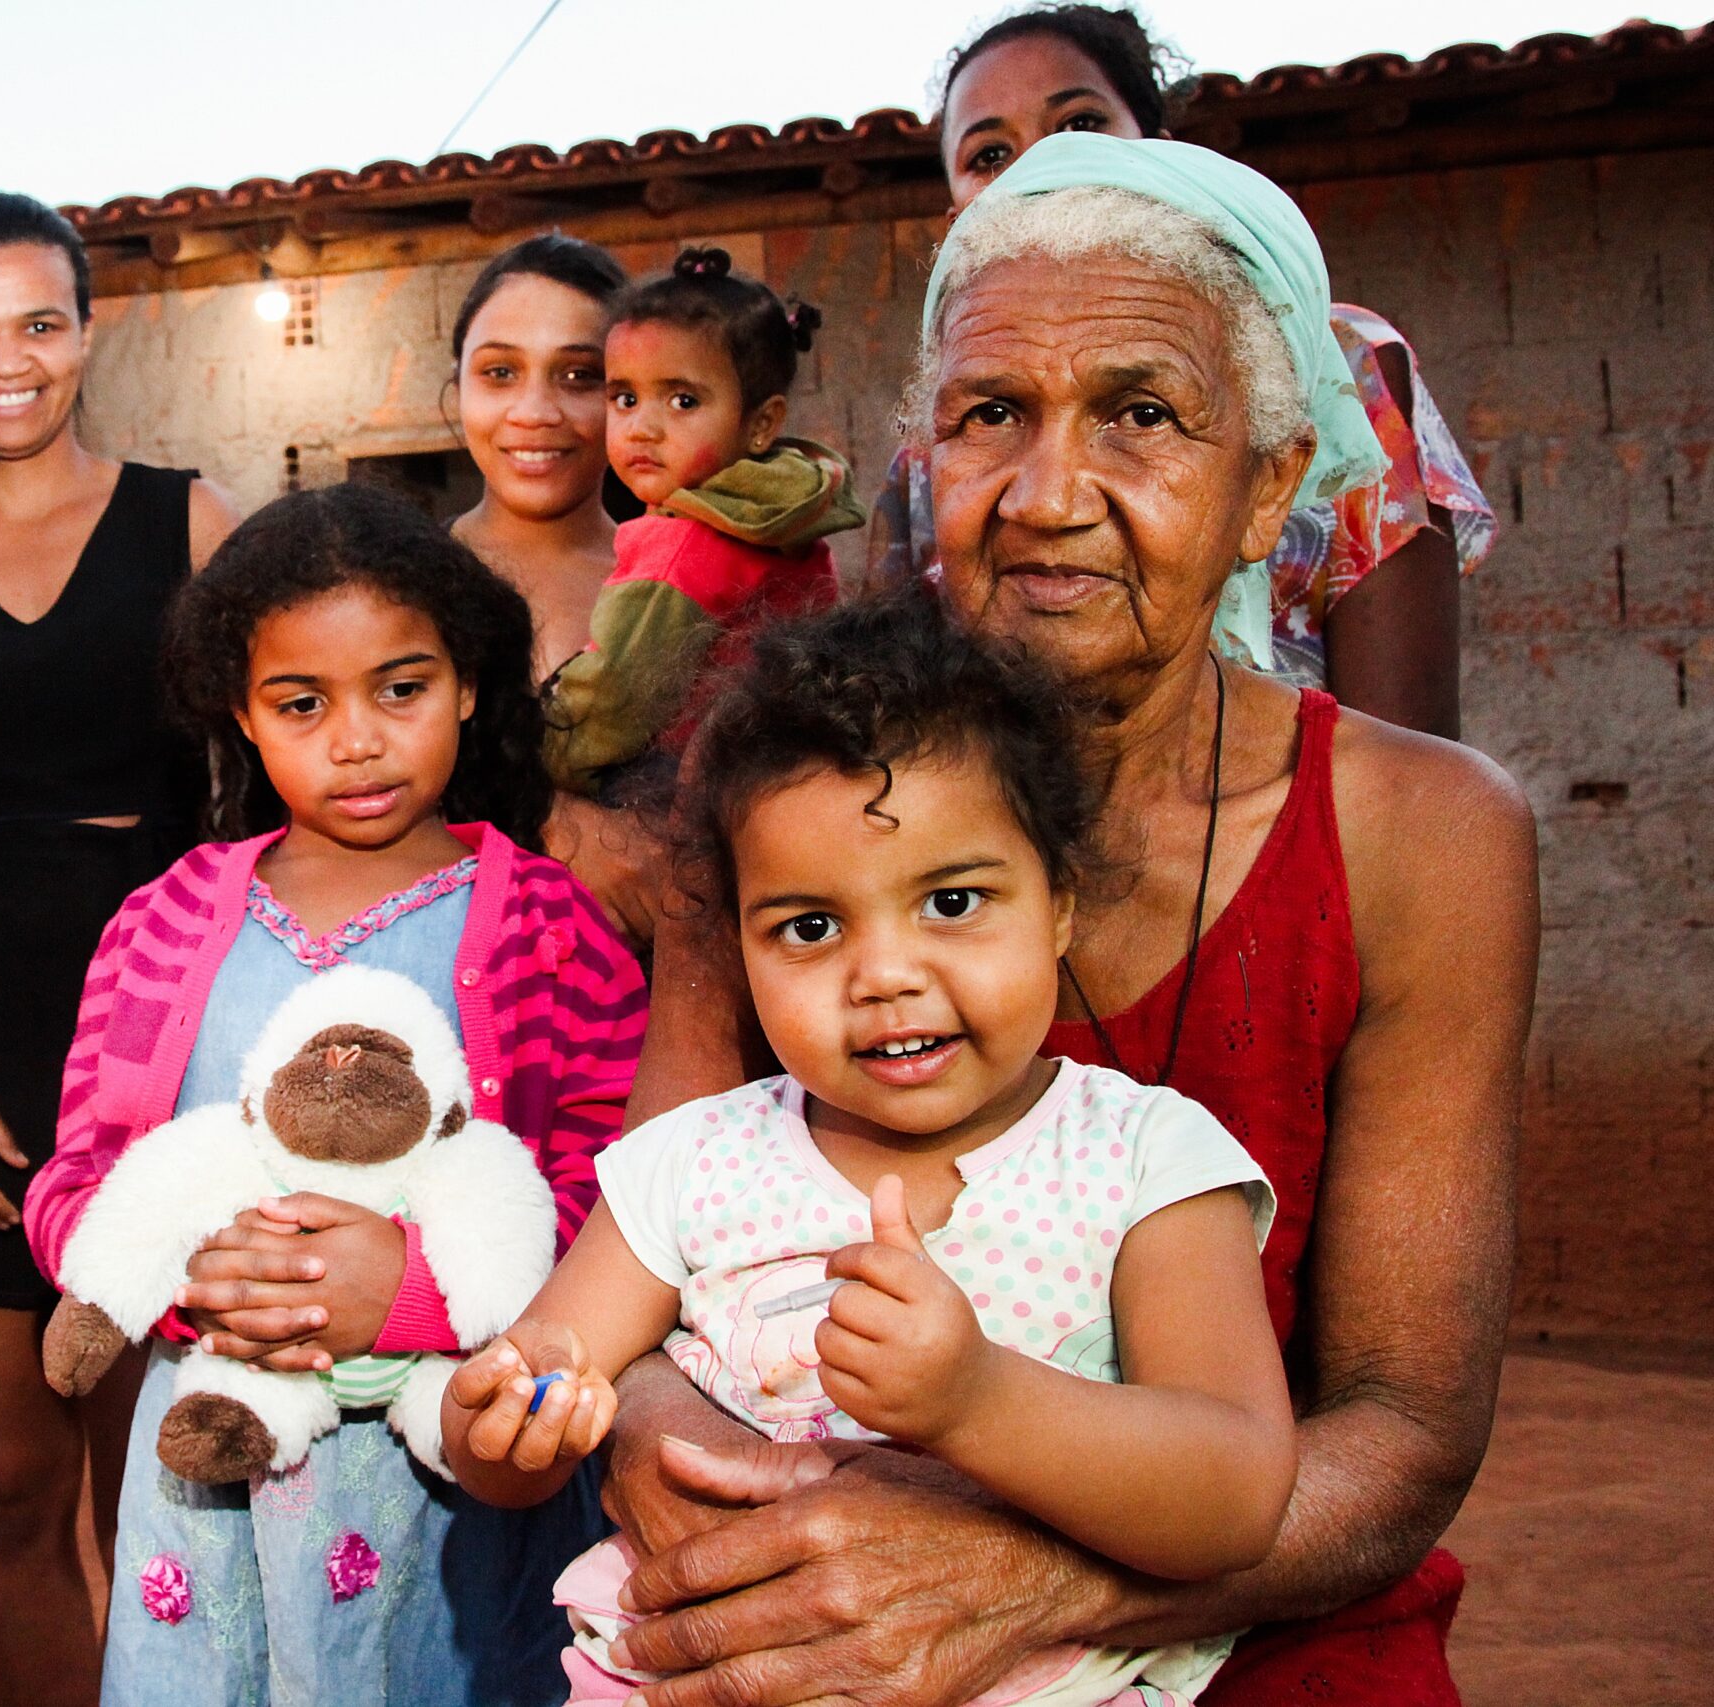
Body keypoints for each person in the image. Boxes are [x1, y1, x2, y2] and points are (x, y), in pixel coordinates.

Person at [602, 136, 1537, 1707]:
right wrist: (732, 1488)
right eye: (989, 416)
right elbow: (635, 1288)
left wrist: (1027, 1579)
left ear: (1268, 493)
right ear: (924, 466)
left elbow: (1402, 1427)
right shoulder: (770, 790)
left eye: (1144, 415)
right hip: (809, 1613)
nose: (1047, 495)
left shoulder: (1419, 834)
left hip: (1261, 1625)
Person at [447, 594, 1294, 1705]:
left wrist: (975, 1401)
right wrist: (497, 1428)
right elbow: (540, 1389)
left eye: (951, 901)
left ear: (1059, 910)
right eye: (808, 927)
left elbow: (1233, 1495)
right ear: (738, 943)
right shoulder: (692, 1164)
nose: (883, 974)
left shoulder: (1146, 1161)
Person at [22, 481, 649, 1707]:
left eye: (399, 689)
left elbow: (613, 1195)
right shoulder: (159, 926)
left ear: (469, 686)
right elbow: (77, 1175)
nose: (355, 739)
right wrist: (190, 1272)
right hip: (212, 1489)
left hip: (460, 1483)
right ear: (241, 718)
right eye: (300, 704)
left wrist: (419, 1293)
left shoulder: (552, 930)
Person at [0, 190, 238, 1707]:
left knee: (164, 1480)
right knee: (6, 1474)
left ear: (90, 331)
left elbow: (270, 782)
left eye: (37, 322)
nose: (4, 359)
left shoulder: (185, 518)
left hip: (167, 1047)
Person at [869, 3, 1495, 738]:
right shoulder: (937, 448)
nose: (1044, 166)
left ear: (1162, 150)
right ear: (954, 216)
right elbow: (899, 719)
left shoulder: (1340, 369)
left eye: (1078, 126)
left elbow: (1404, 754)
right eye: (988, 156)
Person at [543, 248, 861, 801]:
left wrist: (536, 751)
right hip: (787, 769)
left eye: (683, 401)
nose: (642, 427)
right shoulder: (783, 514)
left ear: (761, 423)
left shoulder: (678, 542)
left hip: (686, 789)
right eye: (624, 397)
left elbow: (613, 703)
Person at [446, 233, 631, 679]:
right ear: (458, 392)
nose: (534, 413)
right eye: (501, 372)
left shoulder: (684, 588)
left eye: (579, 375)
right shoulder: (399, 583)